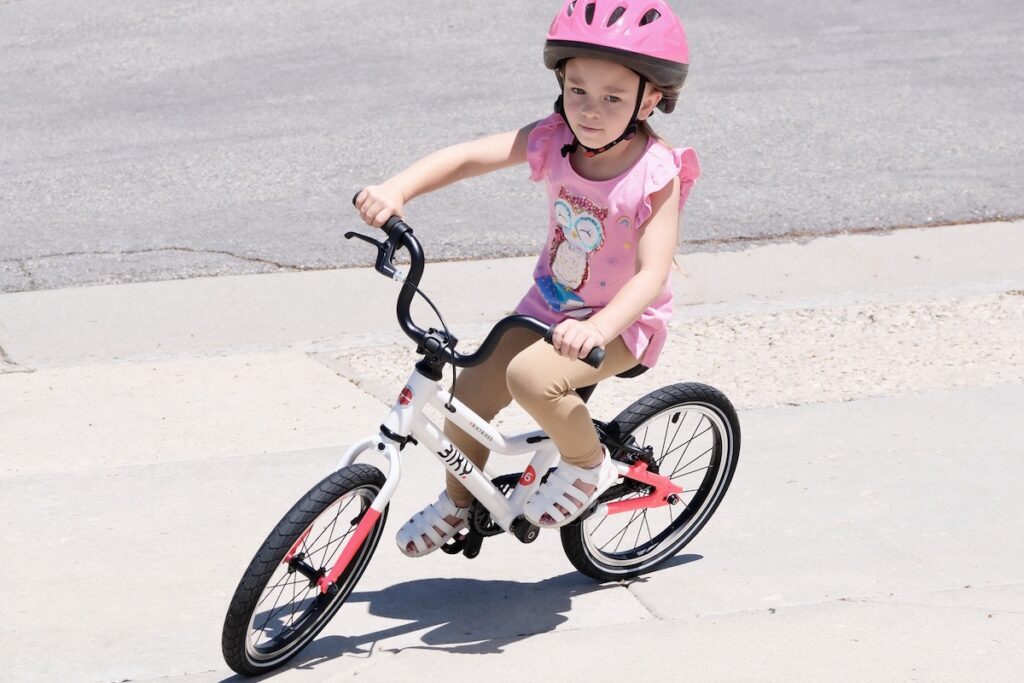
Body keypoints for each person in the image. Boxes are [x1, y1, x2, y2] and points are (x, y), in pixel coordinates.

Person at [355, 0, 701, 557]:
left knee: (533, 380)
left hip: (622, 324)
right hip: (548, 305)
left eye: (613, 98)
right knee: (467, 394)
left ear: (651, 98)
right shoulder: (554, 138)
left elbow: (653, 271)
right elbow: (469, 157)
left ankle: (590, 467)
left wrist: (599, 328)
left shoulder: (657, 171)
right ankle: (459, 503)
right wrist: (398, 188)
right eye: (577, 89)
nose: (589, 110)